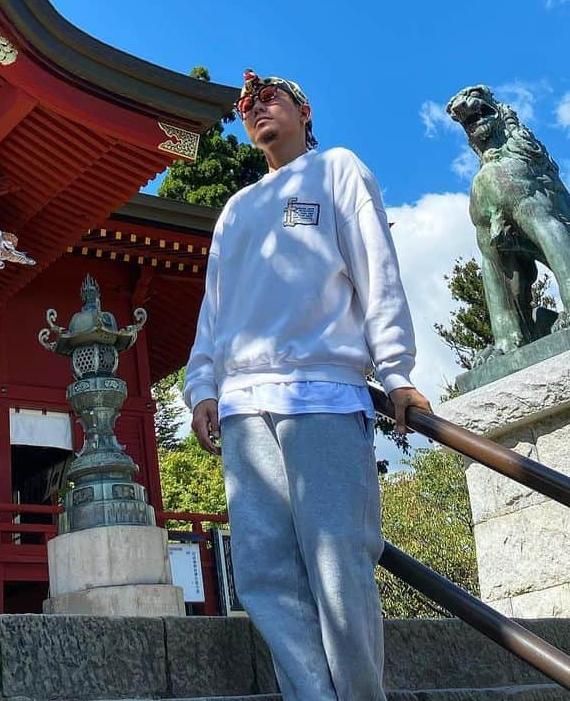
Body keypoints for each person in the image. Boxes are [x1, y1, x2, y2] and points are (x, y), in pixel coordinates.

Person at [184, 69, 431, 701]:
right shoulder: (236, 210)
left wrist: (396, 373)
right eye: (246, 105)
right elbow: (214, 308)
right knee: (266, 575)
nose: (256, 108)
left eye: (270, 97)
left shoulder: (337, 170)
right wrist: (202, 385)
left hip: (321, 390)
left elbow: (377, 269)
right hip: (244, 406)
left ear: (304, 109)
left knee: (339, 563)